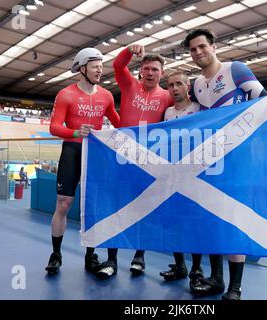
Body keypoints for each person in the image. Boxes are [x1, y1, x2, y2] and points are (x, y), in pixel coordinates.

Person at [183, 28, 267, 300]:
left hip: (239, 158)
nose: (198, 53)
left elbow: (265, 100)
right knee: (211, 216)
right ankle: (216, 278)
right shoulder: (196, 85)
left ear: (213, 46)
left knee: (234, 217)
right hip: (209, 161)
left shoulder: (236, 70)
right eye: (193, 50)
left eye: (201, 47)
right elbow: (194, 120)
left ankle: (235, 287)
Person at [95, 43, 173, 280]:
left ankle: (139, 256)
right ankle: (111, 260)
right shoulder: (129, 85)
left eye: (155, 70)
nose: (150, 73)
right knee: (117, 207)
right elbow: (118, 65)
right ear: (140, 71)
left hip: (149, 161)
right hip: (122, 157)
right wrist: (129, 50)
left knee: (144, 209)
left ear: (162, 73)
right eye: (147, 69)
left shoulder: (167, 97)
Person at [45, 47, 120, 275]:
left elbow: (119, 122)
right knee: (63, 204)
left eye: (101, 66)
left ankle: (91, 256)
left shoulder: (106, 95)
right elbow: (54, 127)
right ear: (82, 68)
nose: (100, 70)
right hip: (72, 151)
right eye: (95, 66)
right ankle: (56, 254)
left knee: (93, 207)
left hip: (95, 155)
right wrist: (76, 132)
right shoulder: (66, 94)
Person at [158, 71, 204, 288]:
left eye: (179, 84)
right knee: (173, 221)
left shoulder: (198, 109)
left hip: (193, 174)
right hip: (171, 174)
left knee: (193, 222)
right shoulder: (166, 112)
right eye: (170, 85)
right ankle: (179, 265)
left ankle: (196, 267)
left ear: (188, 86)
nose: (174, 88)